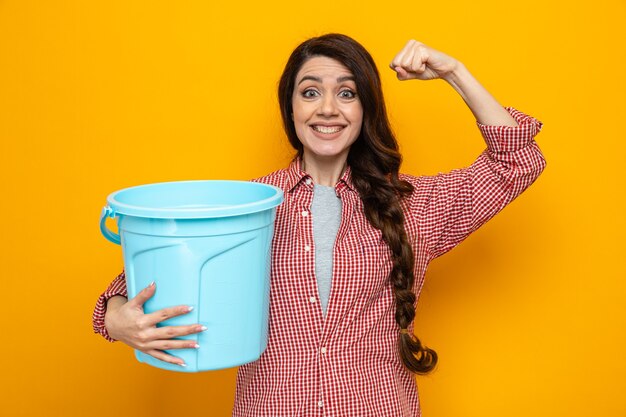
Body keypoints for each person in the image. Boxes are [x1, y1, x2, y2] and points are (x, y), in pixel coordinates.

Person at [93, 33, 545, 416]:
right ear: (290, 107)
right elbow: (139, 285)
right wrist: (117, 319)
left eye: (347, 93)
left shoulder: (412, 207)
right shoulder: (249, 206)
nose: (328, 108)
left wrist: (453, 72)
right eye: (310, 92)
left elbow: (517, 161)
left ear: (365, 109)